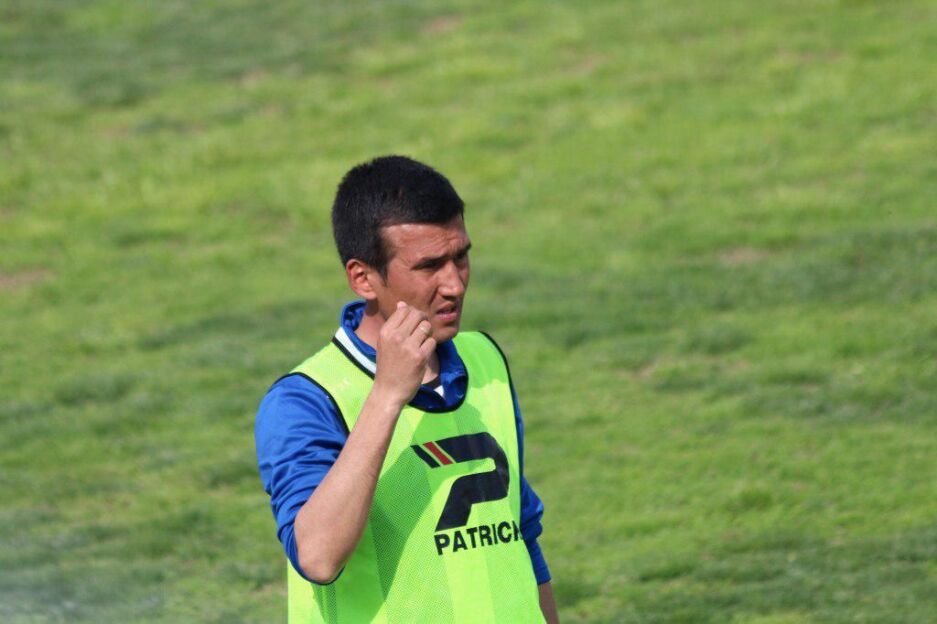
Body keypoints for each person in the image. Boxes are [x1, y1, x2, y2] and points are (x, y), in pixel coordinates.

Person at [254, 155, 560, 623]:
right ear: (363, 278)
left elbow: (522, 533)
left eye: (461, 257)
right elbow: (317, 556)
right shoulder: (305, 401)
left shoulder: (485, 361)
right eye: (429, 266)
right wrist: (387, 395)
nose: (454, 285)